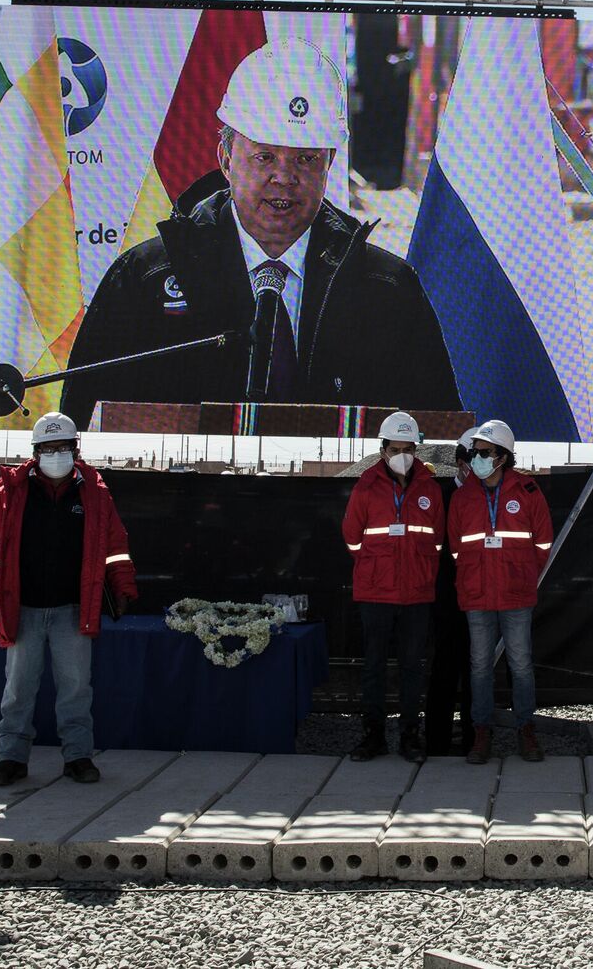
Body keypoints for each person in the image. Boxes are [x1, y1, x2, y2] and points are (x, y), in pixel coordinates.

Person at [60, 39, 459, 428]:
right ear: (227, 159)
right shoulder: (144, 279)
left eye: (306, 158)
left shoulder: (386, 289)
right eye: (265, 156)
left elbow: (433, 441)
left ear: (329, 164)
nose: (284, 177)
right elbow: (79, 432)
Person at [0, 411, 139, 786]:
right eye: (48, 448)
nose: (56, 454)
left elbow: (115, 546)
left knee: (76, 686)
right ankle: (11, 757)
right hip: (22, 607)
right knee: (18, 688)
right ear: (36, 451)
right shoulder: (9, 493)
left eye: (63, 447)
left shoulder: (95, 492)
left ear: (75, 449)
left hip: (74, 608)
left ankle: (77, 756)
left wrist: (122, 586)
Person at [342, 411, 444, 763]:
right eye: (396, 448)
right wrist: (377, 567)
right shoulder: (366, 486)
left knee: (412, 668)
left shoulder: (430, 487)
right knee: (373, 668)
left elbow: (437, 539)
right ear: (383, 450)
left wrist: (418, 568)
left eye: (409, 448)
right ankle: (373, 736)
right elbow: (352, 538)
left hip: (416, 594)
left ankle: (409, 737)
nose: (403, 454)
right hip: (376, 594)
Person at [449, 419, 552, 763]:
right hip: (476, 594)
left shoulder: (528, 492)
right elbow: (454, 547)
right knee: (479, 666)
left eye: (484, 452)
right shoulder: (463, 497)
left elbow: (544, 542)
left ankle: (526, 729)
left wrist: (521, 574)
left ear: (503, 457)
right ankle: (481, 732)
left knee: (520, 665)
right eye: (475, 452)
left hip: (515, 595)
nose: (476, 457)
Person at [424, 425, 481, 756]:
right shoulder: (439, 497)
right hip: (446, 597)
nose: (480, 463)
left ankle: (474, 737)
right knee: (444, 666)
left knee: (478, 667)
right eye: (475, 456)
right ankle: (437, 739)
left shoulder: (491, 497)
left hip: (479, 597)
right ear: (461, 460)